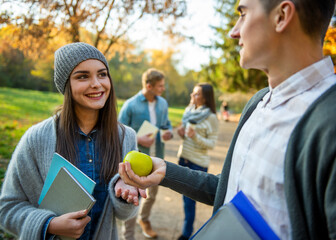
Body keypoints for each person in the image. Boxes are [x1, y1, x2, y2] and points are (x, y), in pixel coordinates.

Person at [119, 0, 336, 239]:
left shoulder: (329, 121)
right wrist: (166, 172)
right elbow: (228, 189)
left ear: (281, 16)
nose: (234, 31)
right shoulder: (258, 103)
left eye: (243, 14)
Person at [0, 42, 145, 240]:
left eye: (102, 74)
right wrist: (48, 224)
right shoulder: (36, 138)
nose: (96, 83)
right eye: (83, 76)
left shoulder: (125, 137)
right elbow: (7, 209)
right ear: (66, 85)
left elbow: (124, 215)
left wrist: (126, 195)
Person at [118, 68, 173, 239]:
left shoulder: (163, 103)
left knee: (152, 194)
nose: (162, 89)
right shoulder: (130, 105)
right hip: (136, 161)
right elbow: (118, 131)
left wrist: (168, 132)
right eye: (160, 86)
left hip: (157, 157)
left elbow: (166, 124)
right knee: (134, 198)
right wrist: (138, 139)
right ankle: (128, 235)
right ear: (149, 86)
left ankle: (144, 220)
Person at [176, 83, 218, 240]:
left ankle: (186, 234)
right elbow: (186, 137)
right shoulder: (189, 111)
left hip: (197, 163)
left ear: (205, 97)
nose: (192, 96)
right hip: (183, 159)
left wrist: (195, 136)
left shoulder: (211, 117)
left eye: (196, 94)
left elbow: (211, 144)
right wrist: (182, 134)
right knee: (186, 201)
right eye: (192, 93)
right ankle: (187, 231)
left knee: (190, 202)